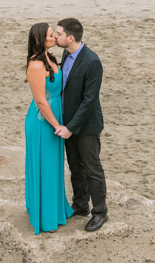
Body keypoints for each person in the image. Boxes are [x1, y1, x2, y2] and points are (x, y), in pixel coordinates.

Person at [54, 18, 108, 232]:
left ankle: (100, 213)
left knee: (92, 170)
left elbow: (89, 101)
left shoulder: (92, 61)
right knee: (75, 167)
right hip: (68, 124)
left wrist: (71, 127)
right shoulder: (66, 54)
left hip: (87, 127)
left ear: (70, 37)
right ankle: (80, 205)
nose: (55, 36)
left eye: (58, 33)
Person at [24, 22, 74, 234]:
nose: (55, 36)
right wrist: (58, 126)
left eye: (54, 33)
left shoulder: (51, 59)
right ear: (40, 39)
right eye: (50, 34)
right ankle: (45, 217)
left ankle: (55, 209)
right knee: (45, 165)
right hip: (44, 122)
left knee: (54, 166)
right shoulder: (36, 65)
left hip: (55, 119)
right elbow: (41, 101)